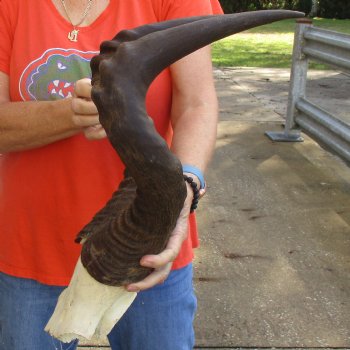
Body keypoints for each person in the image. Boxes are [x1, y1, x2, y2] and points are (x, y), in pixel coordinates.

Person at [0, 0, 222, 349]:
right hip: (31, 247)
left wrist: (187, 187)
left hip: (151, 241)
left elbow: (197, 103)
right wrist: (73, 114)